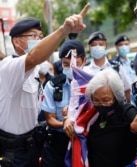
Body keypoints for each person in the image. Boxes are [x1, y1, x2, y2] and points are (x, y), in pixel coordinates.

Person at [0, 3, 90, 167]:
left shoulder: (33, 70)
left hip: (32, 144)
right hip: (14, 151)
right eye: (34, 36)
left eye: (41, 37)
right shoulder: (8, 66)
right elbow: (34, 57)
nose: (39, 41)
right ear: (17, 42)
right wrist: (64, 29)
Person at [64, 68, 137, 167]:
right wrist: (67, 120)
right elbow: (75, 120)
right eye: (96, 100)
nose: (101, 104)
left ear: (116, 96)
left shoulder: (126, 112)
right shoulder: (92, 114)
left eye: (106, 100)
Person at [40, 39, 86, 167]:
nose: (71, 68)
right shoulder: (52, 86)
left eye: (75, 63)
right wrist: (64, 123)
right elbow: (50, 119)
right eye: (66, 64)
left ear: (84, 61)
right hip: (59, 142)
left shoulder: (94, 85)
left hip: (86, 141)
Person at [83, 31, 132, 102]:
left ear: (105, 46)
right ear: (89, 48)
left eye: (101, 44)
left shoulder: (116, 67)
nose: (97, 47)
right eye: (94, 45)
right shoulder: (84, 70)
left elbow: (127, 89)